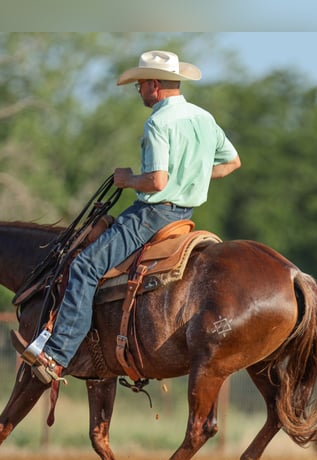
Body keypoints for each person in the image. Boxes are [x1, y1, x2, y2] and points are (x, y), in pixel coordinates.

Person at [19, 49, 241, 384]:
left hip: (152, 215)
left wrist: (126, 180)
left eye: (139, 84)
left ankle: (56, 356)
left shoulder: (158, 122)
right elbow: (232, 162)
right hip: (185, 214)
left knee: (84, 267)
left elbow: (157, 182)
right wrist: (191, 176)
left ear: (154, 85)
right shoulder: (203, 118)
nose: (138, 90)